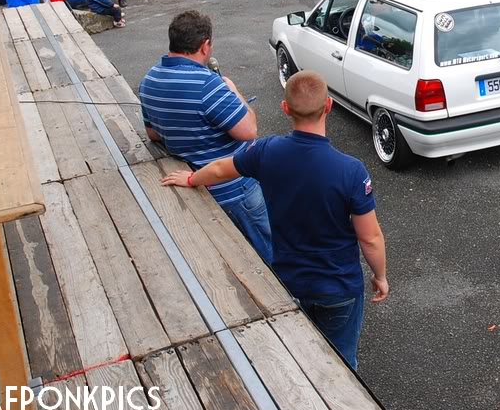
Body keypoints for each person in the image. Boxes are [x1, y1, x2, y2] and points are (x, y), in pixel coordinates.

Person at [162, 70, 387, 370]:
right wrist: (380, 276)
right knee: (342, 362)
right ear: (329, 106)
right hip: (337, 286)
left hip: (289, 282)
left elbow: (218, 171)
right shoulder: (351, 171)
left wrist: (191, 178)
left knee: (300, 352)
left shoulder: (266, 151)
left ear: (285, 109)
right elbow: (369, 237)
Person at [140, 11, 270, 259]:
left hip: (192, 181)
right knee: (266, 248)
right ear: (205, 45)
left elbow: (153, 133)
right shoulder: (208, 84)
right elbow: (249, 131)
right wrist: (234, 91)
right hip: (233, 188)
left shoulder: (149, 79)